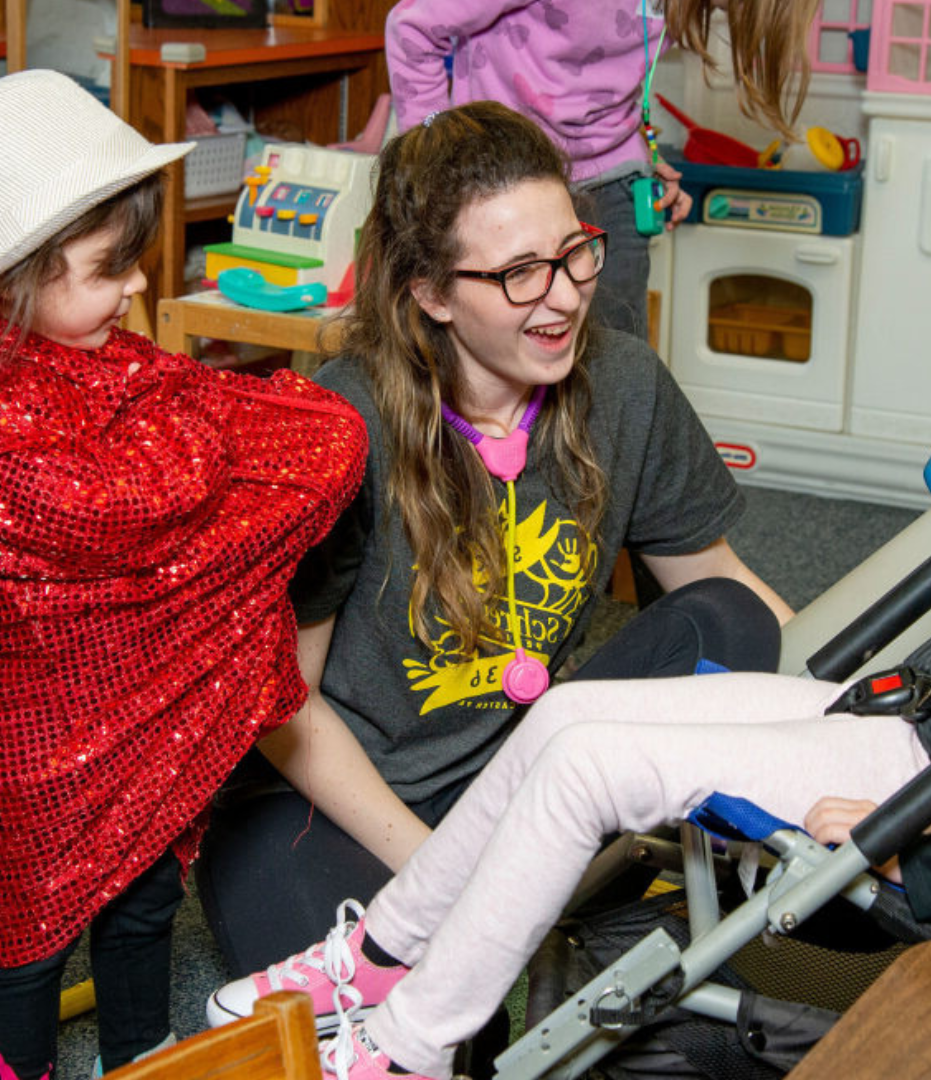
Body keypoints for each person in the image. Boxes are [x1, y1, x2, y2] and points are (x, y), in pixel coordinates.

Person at [207, 215, 931, 1078]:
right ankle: (386, 952)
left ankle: (410, 1043)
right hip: (900, 724)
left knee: (590, 769)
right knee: (562, 713)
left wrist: (920, 855)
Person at [196, 101, 793, 1004]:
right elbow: (285, 705)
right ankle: (526, 898)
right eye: (518, 273)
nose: (562, 295)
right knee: (373, 1024)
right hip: (334, 795)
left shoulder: (624, 381)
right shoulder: (338, 427)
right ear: (431, 292)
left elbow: (715, 584)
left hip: (515, 772)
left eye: (573, 253)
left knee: (731, 624)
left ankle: (541, 884)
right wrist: (442, 874)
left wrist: (857, 712)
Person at [0, 71, 367, 1079]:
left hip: (151, 699)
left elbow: (306, 430)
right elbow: (105, 509)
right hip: (29, 732)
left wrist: (192, 461)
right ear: (7, 282)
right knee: (28, 938)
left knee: (145, 900)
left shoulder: (112, 360)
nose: (139, 289)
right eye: (111, 270)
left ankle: (140, 1060)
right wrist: (200, 462)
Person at [385, 0, 821, 339]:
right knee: (508, 350)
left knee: (619, 364)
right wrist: (438, 161)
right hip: (505, 185)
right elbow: (412, 29)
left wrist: (645, 158)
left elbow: (597, 88)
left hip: (614, 183)